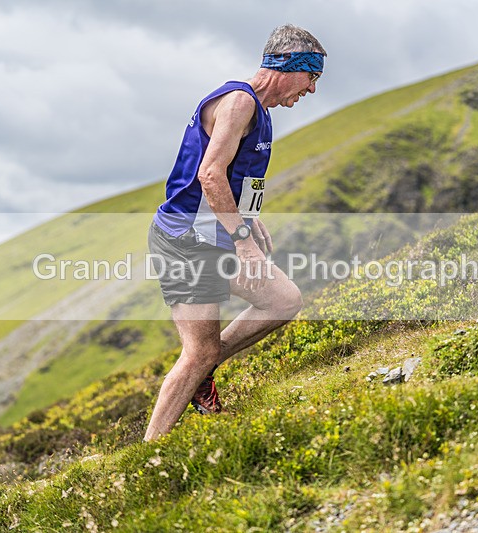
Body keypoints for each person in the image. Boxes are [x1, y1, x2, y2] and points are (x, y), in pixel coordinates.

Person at [144, 24, 327, 441]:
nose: (312, 90)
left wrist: (248, 218)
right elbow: (209, 175)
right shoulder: (239, 102)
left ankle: (202, 372)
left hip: (213, 235)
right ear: (287, 66)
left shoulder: (257, 110)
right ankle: (147, 452)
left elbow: (230, 175)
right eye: (312, 77)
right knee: (198, 352)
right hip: (185, 240)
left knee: (283, 300)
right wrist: (243, 240)